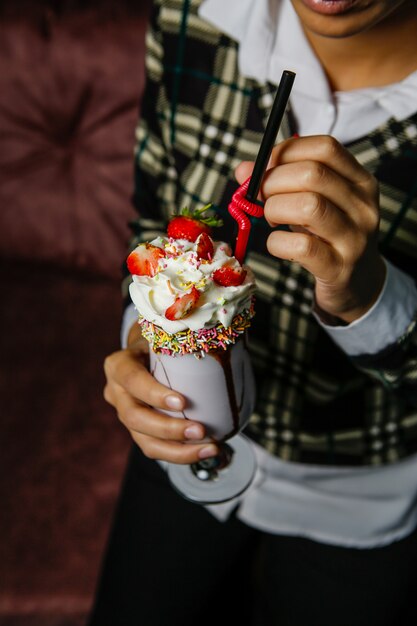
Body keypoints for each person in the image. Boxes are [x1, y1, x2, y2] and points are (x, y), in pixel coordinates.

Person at [88, 1, 417, 624]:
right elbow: (148, 220)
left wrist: (368, 293)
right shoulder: (196, 15)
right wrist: (146, 341)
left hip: (358, 499)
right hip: (184, 447)